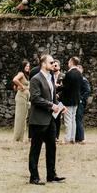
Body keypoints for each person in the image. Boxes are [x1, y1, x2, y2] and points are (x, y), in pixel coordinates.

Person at [27, 53, 65, 184]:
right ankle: (34, 177)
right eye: (51, 62)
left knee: (51, 147)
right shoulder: (36, 79)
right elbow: (35, 98)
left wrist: (60, 106)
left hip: (50, 119)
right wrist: (52, 106)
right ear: (43, 64)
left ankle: (51, 174)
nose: (53, 64)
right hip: (38, 119)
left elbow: (52, 98)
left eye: (54, 62)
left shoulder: (51, 78)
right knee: (36, 148)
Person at [59, 56, 83, 145]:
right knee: (73, 119)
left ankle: (67, 138)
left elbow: (67, 88)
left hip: (69, 99)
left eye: (69, 62)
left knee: (68, 120)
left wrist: (59, 87)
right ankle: (72, 137)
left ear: (71, 63)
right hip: (76, 98)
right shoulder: (79, 74)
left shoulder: (69, 74)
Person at [13, 61, 31, 142]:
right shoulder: (21, 74)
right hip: (21, 97)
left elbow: (15, 88)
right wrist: (21, 86)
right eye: (26, 66)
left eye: (28, 66)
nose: (27, 68)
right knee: (20, 118)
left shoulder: (26, 75)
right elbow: (14, 80)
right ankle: (18, 137)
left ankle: (21, 136)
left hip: (25, 97)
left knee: (23, 117)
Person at [74, 65, 91, 144]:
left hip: (80, 103)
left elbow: (88, 90)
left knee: (78, 119)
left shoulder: (83, 80)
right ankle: (76, 137)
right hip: (76, 101)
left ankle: (81, 138)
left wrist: (81, 98)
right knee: (75, 119)